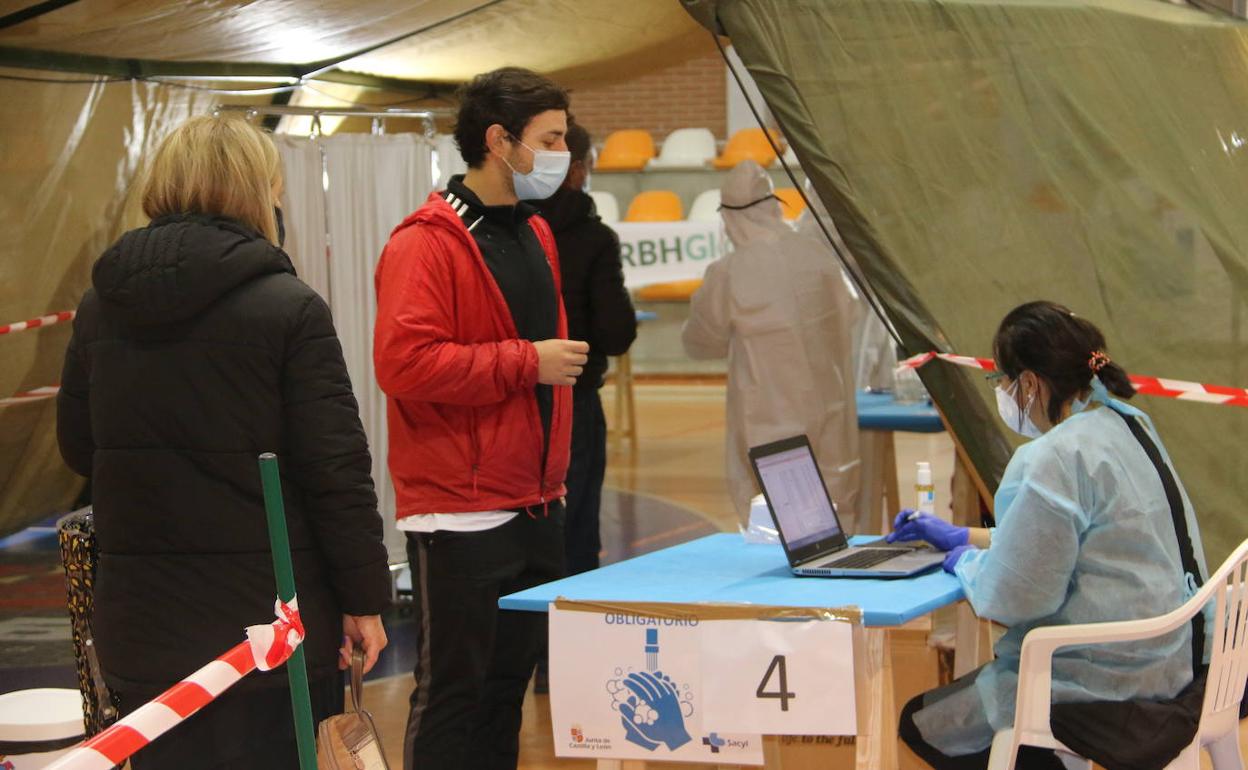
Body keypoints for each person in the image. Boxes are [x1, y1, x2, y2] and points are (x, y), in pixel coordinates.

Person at [56, 115, 391, 768]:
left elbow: (78, 449)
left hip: (145, 628)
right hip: (265, 626)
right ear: (257, 191)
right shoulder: (288, 307)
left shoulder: (100, 306)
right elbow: (336, 472)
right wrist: (365, 601)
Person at [888, 300, 1209, 769]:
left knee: (921, 724)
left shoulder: (1055, 457)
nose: (1001, 391)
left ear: (1031, 383)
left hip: (1110, 678)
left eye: (1002, 380)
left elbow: (1017, 597)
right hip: (1181, 658)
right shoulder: (1129, 423)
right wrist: (966, 537)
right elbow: (1088, 546)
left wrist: (965, 564)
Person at [373, 67, 587, 770]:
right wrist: (526, 362)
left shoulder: (535, 233)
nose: (562, 152)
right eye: (550, 138)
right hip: (460, 512)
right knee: (454, 694)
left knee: (506, 690)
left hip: (534, 499)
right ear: (501, 141)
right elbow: (404, 366)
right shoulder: (425, 242)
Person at [682, 159, 861, 529]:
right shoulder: (817, 256)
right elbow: (850, 315)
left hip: (769, 416)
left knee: (779, 526)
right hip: (832, 405)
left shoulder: (730, 272)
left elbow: (701, 341)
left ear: (729, 217)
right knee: (835, 513)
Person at [533, 121, 637, 575]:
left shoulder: (509, 228)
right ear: (575, 169)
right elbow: (617, 333)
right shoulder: (594, 239)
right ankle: (570, 628)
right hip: (573, 400)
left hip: (513, 392)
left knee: (527, 525)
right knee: (574, 527)